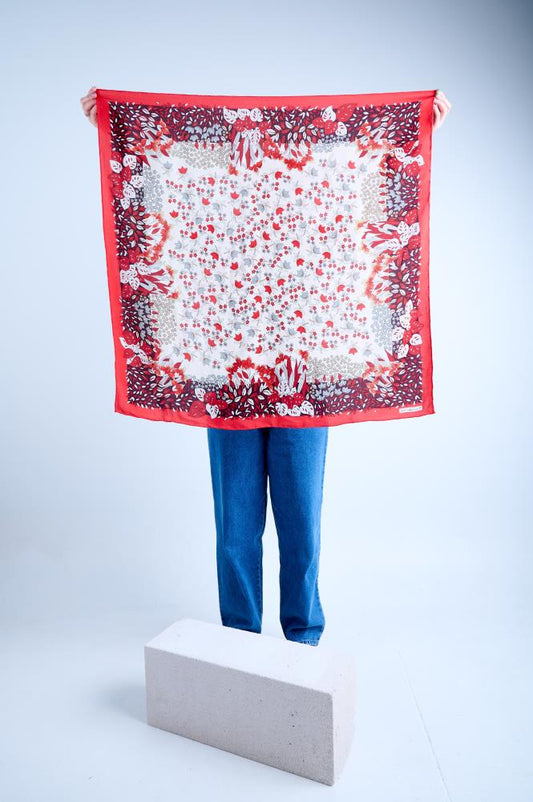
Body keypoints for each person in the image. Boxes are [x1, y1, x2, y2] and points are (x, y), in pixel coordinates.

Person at [81, 86, 451, 646]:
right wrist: (112, 126)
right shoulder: (214, 174)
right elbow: (165, 156)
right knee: (236, 528)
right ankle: (241, 641)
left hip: (311, 380)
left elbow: (365, 161)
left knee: (301, 524)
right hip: (228, 378)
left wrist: (423, 124)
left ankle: (302, 640)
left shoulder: (318, 173)